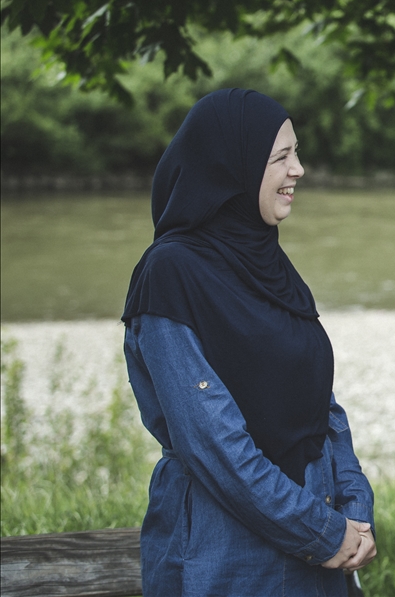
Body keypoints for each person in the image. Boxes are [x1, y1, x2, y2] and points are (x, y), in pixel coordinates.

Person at [122, 89, 376, 595]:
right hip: (226, 547)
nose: (299, 169)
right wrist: (322, 532)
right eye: (281, 156)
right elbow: (212, 444)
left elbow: (318, 401)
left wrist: (354, 505)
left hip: (316, 526)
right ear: (230, 168)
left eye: (296, 152)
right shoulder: (172, 273)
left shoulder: (271, 267)